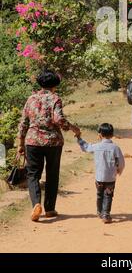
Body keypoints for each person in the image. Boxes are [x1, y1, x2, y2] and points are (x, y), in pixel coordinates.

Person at [17, 70, 80, 222]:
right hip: (53, 142)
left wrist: (20, 143)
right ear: (55, 85)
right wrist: (72, 128)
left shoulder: (31, 99)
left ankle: (36, 204)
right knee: (52, 174)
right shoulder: (55, 98)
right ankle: (50, 209)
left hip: (32, 141)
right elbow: (59, 119)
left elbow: (23, 123)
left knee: (33, 175)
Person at [76, 123, 125, 224]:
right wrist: (119, 170)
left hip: (99, 177)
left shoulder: (96, 146)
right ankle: (106, 214)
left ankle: (99, 212)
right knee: (108, 195)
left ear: (100, 135)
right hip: (111, 177)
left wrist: (79, 138)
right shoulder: (115, 148)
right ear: (112, 135)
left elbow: (86, 147)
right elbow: (121, 162)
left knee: (99, 195)